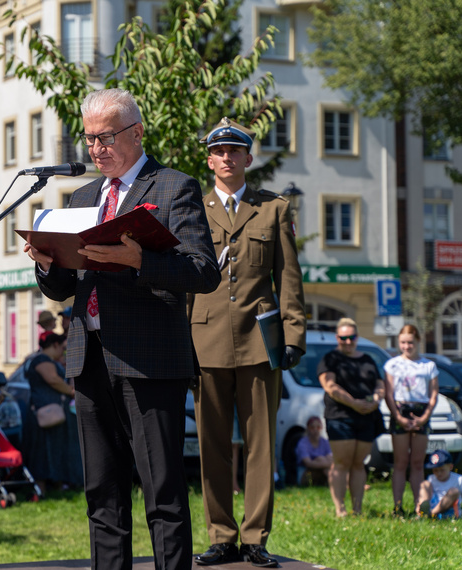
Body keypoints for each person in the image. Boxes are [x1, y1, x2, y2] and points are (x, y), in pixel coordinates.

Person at [24, 88, 220, 570]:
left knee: (162, 491)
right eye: (89, 139)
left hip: (150, 360)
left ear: (136, 132)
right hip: (88, 356)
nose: (96, 148)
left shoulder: (173, 187)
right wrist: (48, 264)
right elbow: (63, 286)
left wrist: (142, 261)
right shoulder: (83, 195)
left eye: (106, 137)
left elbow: (202, 271)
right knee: (102, 493)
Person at [188, 118, 306, 568]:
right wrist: (181, 342)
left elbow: (289, 279)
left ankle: (255, 537)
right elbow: (185, 283)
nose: (227, 158)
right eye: (219, 151)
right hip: (206, 339)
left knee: (260, 445)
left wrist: (293, 333)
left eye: (235, 151)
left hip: (260, 342)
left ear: (247, 158)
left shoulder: (274, 209)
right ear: (210, 159)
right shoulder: (194, 210)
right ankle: (222, 536)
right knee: (211, 443)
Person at [317, 318, 385, 517]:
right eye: (343, 338)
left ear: (357, 337)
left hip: (366, 416)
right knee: (341, 463)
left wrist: (375, 400)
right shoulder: (330, 359)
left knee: (358, 463)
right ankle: (341, 510)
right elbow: (330, 387)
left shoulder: (367, 359)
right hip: (340, 416)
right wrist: (354, 403)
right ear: (337, 338)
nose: (348, 341)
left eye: (352, 337)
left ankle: (357, 509)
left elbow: (379, 384)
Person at [384, 324, 439, 515]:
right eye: (403, 343)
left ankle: (419, 506)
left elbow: (433, 394)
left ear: (418, 342)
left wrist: (424, 417)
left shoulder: (428, 365)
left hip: (421, 411)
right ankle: (397, 506)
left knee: (417, 463)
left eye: (410, 342)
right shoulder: (392, 364)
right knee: (400, 462)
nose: (407, 346)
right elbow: (389, 394)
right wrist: (397, 416)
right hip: (400, 409)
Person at [23, 331, 82, 493]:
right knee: (42, 451)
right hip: (44, 414)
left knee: (51, 450)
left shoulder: (44, 359)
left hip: (49, 414)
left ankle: (52, 486)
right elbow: (53, 380)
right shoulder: (42, 360)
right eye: (61, 348)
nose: (62, 352)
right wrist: (71, 391)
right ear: (55, 345)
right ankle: (41, 488)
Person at [417, 450, 462, 519]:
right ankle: (423, 509)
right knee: (425, 484)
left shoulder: (458, 479)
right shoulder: (431, 478)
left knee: (454, 491)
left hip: (450, 510)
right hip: (434, 504)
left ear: (450, 467)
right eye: (435, 470)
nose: (439, 473)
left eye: (442, 470)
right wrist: (420, 502)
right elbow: (427, 492)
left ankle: (431, 514)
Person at [295, 416, 332, 486]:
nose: (315, 430)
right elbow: (308, 463)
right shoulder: (302, 443)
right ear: (308, 428)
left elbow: (330, 458)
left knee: (322, 461)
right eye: (312, 427)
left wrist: (322, 462)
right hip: (305, 473)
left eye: (318, 427)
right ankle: (336, 485)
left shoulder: (325, 442)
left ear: (321, 428)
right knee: (321, 459)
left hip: (322, 469)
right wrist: (323, 462)